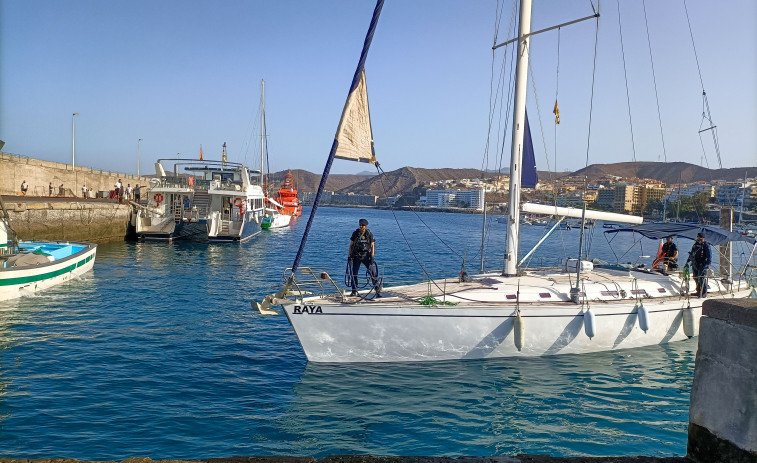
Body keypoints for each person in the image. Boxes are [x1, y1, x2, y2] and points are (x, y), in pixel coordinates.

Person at [348, 218, 381, 297]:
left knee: (372, 273)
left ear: (366, 226)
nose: (361, 226)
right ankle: (354, 290)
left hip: (366, 255)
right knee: (354, 273)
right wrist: (349, 256)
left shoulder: (369, 234)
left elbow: (372, 246)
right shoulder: (355, 233)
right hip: (356, 256)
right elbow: (351, 245)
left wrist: (372, 256)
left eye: (362, 225)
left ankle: (377, 290)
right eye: (360, 225)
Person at [687, 232, 711, 298]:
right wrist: (688, 261)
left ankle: (704, 292)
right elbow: (692, 253)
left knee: (701, 278)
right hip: (695, 263)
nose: (699, 238)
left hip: (702, 264)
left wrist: (707, 264)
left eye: (701, 237)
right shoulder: (695, 245)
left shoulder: (706, 245)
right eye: (698, 237)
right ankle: (698, 291)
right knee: (695, 277)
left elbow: (709, 256)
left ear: (703, 238)